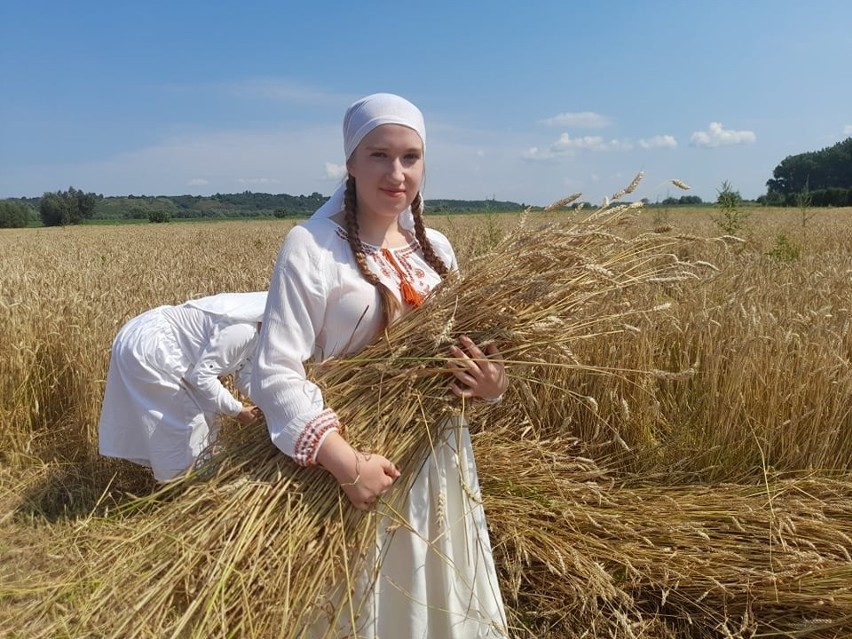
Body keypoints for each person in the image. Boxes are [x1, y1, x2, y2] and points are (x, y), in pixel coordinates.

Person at [252, 93, 509, 638]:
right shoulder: (312, 246)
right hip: (357, 462)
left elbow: (463, 351)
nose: (397, 173)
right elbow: (274, 370)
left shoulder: (435, 245)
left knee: (440, 592)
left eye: (411, 157)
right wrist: (348, 467)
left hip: (439, 455)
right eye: (378, 155)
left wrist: (489, 384)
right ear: (349, 163)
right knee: (365, 599)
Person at [98, 291, 266, 482]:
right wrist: (238, 411)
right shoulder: (242, 330)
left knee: (205, 414)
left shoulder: (258, 329)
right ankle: (186, 490)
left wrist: (268, 405)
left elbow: (244, 372)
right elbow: (202, 377)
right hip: (153, 347)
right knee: (188, 425)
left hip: (161, 345)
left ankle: (195, 482)